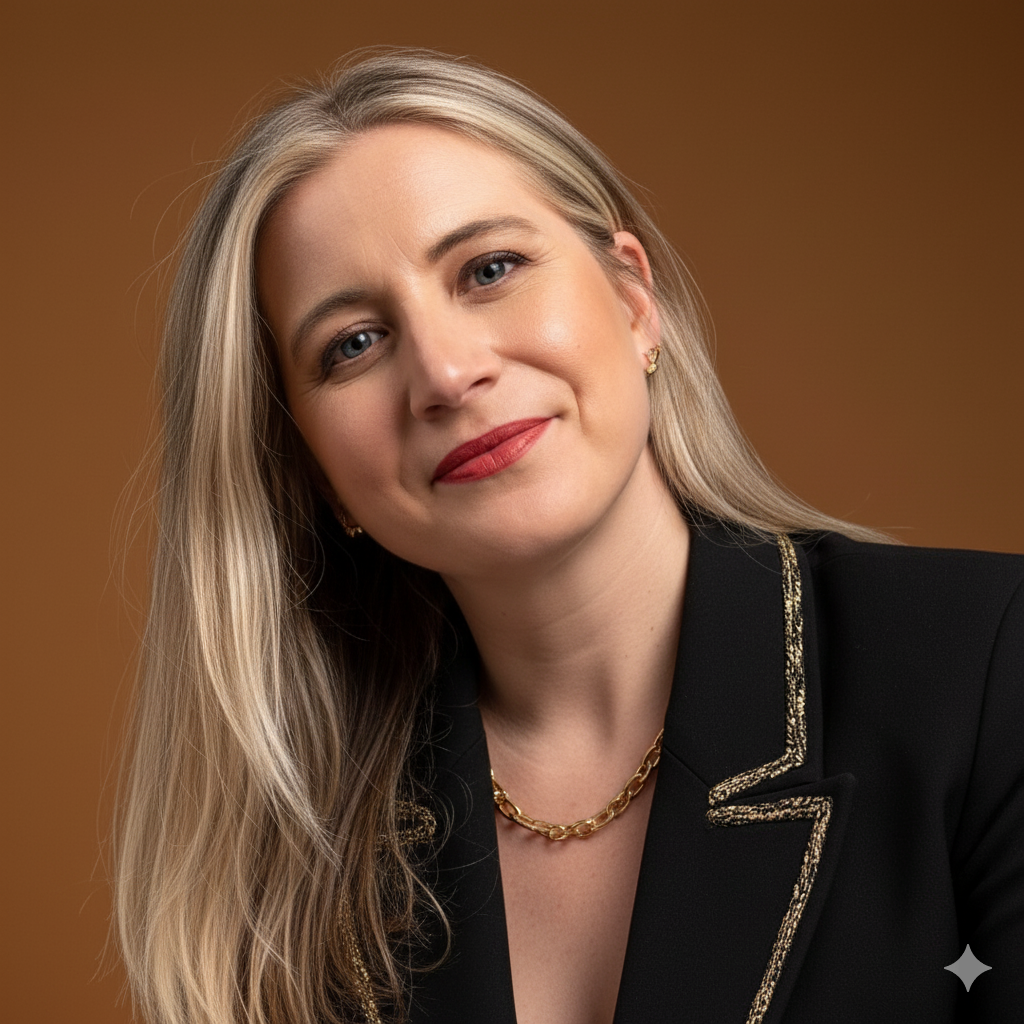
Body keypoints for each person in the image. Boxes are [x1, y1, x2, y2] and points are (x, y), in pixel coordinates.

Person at [115, 48, 1022, 1024]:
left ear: (635, 303)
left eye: (489, 269)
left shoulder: (987, 662)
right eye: (354, 344)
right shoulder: (288, 879)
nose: (447, 373)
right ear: (312, 470)